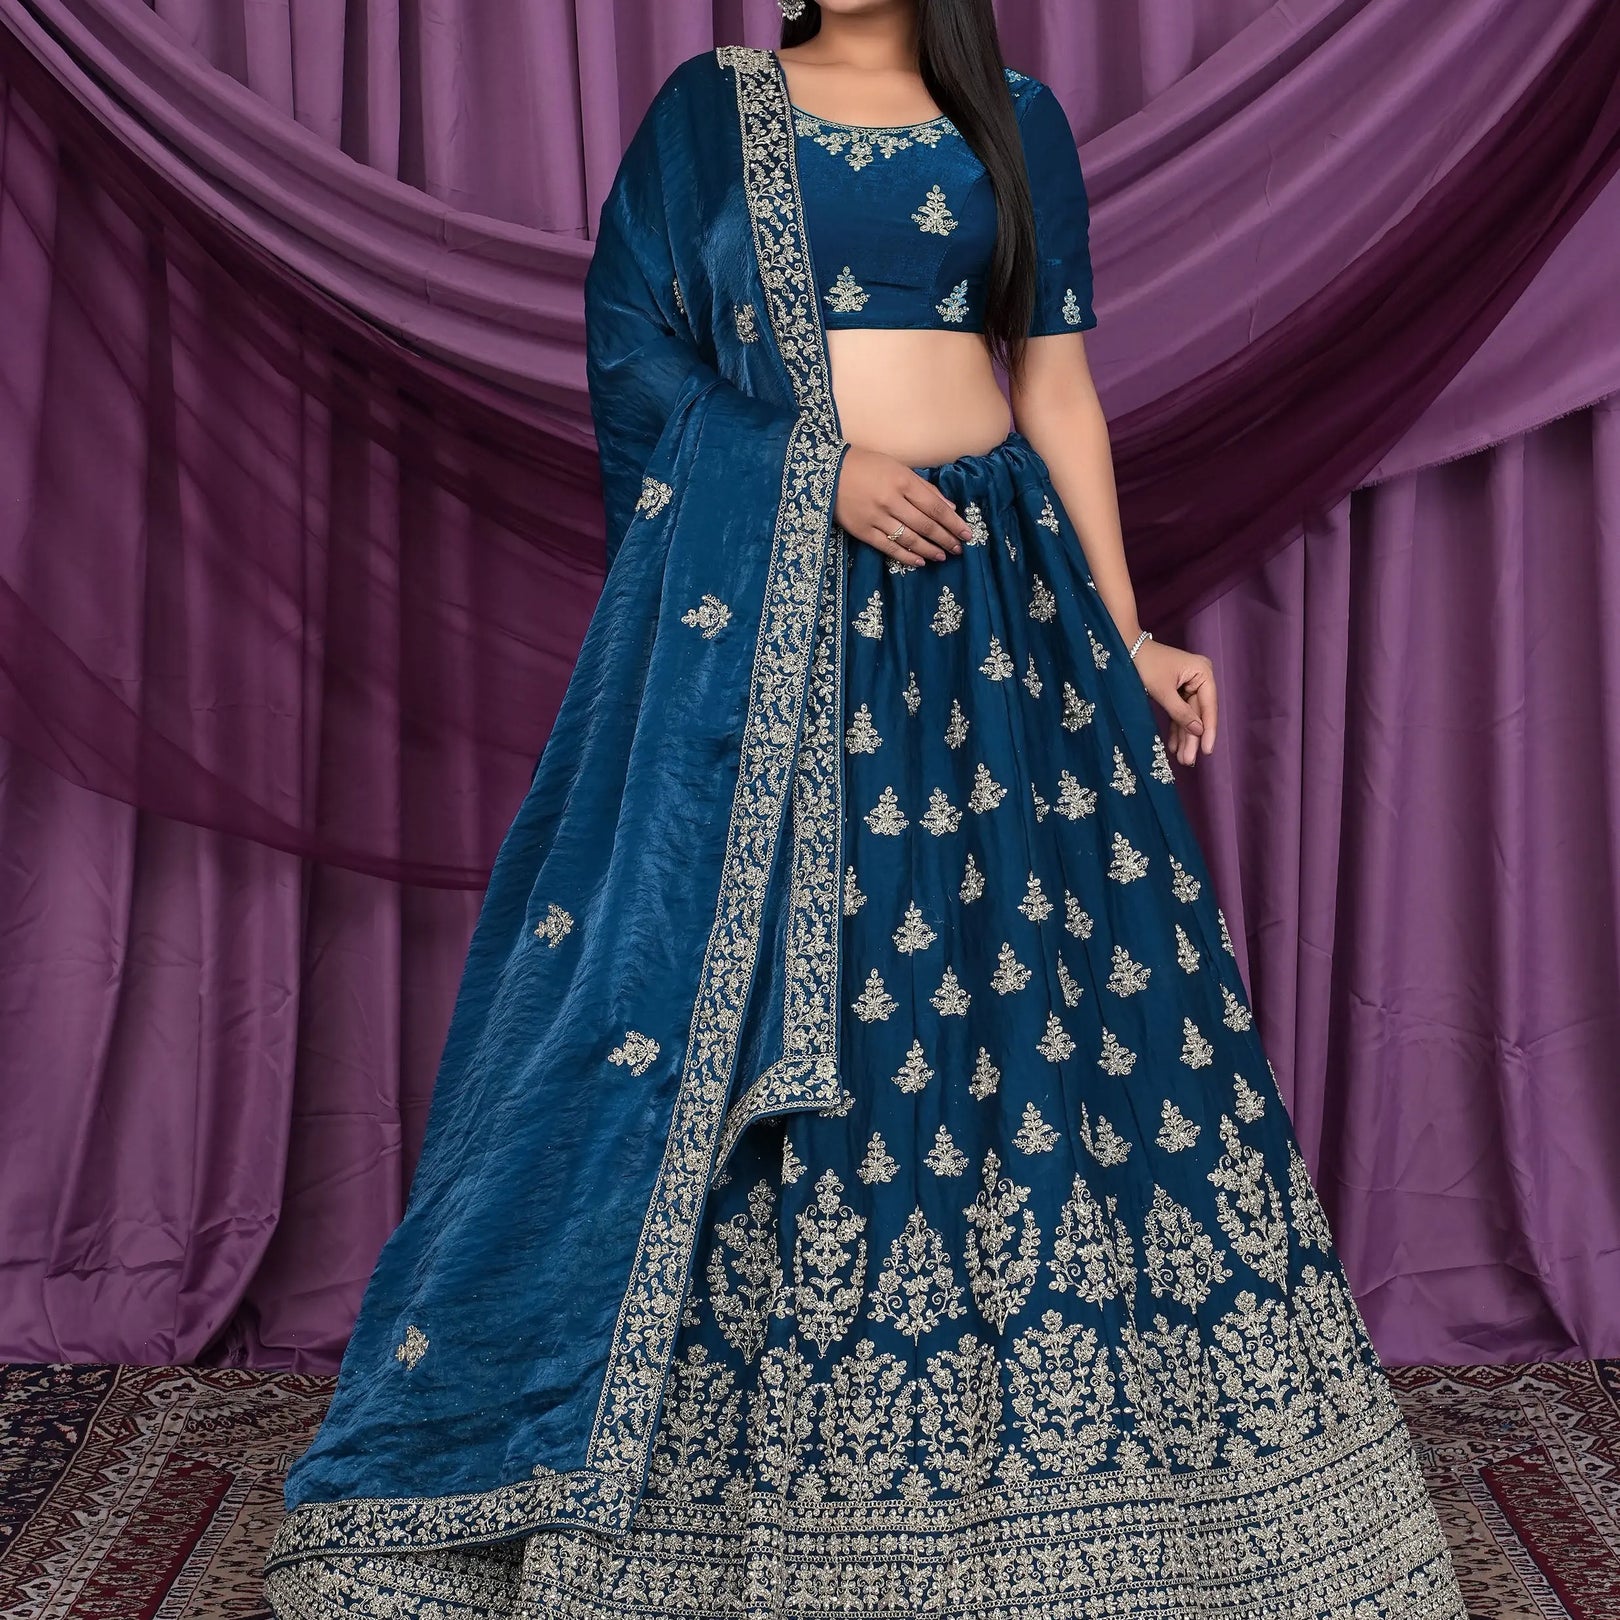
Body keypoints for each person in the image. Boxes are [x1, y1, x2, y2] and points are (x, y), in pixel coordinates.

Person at [265, 2, 1470, 1615]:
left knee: (1030, 1011)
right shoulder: (713, 109)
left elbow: (1052, 382)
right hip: (782, 620)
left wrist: (1122, 628)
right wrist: (808, 471)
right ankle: (735, 1475)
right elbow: (633, 349)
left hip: (996, 604)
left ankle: (1080, 1460)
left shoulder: (1016, 119)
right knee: (787, 996)